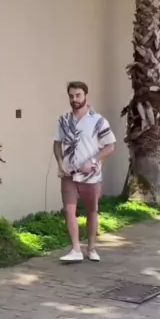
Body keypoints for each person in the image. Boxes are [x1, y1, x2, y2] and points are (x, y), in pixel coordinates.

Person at [53, 81, 116, 263]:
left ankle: (91, 248)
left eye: (78, 95)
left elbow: (110, 146)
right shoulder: (63, 120)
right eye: (71, 96)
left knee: (92, 211)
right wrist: (60, 163)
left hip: (91, 175)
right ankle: (75, 249)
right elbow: (57, 144)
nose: (74, 99)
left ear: (86, 96)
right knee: (69, 210)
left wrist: (94, 161)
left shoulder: (98, 121)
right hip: (69, 174)